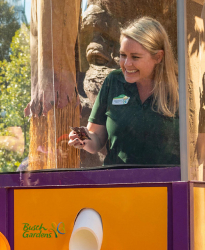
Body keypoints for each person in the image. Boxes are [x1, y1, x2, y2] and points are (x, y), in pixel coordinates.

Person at [68, 17, 179, 165]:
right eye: (123, 55)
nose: (126, 64)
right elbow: (96, 139)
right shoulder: (113, 82)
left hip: (166, 184)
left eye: (135, 57)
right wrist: (82, 137)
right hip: (118, 183)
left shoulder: (179, 88)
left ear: (158, 57)